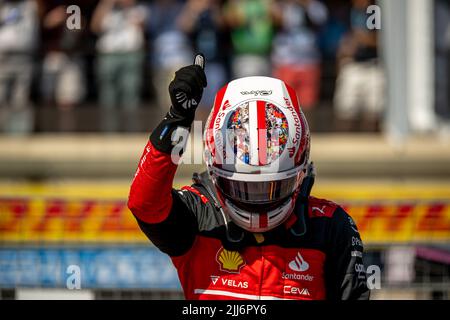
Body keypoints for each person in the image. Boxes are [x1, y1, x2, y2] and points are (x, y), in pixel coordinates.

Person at [128, 54, 370, 300]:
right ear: (214, 170)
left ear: (301, 167)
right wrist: (177, 119)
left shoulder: (330, 226)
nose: (259, 202)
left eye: (273, 187)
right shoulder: (198, 215)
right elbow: (145, 204)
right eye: (243, 188)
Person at [91, 0, 147, 132]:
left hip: (131, 55)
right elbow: (95, 26)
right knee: (108, 96)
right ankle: (109, 133)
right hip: (108, 55)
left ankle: (131, 132)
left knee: (131, 95)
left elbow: (144, 26)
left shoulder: (140, 8)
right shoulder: (106, 8)